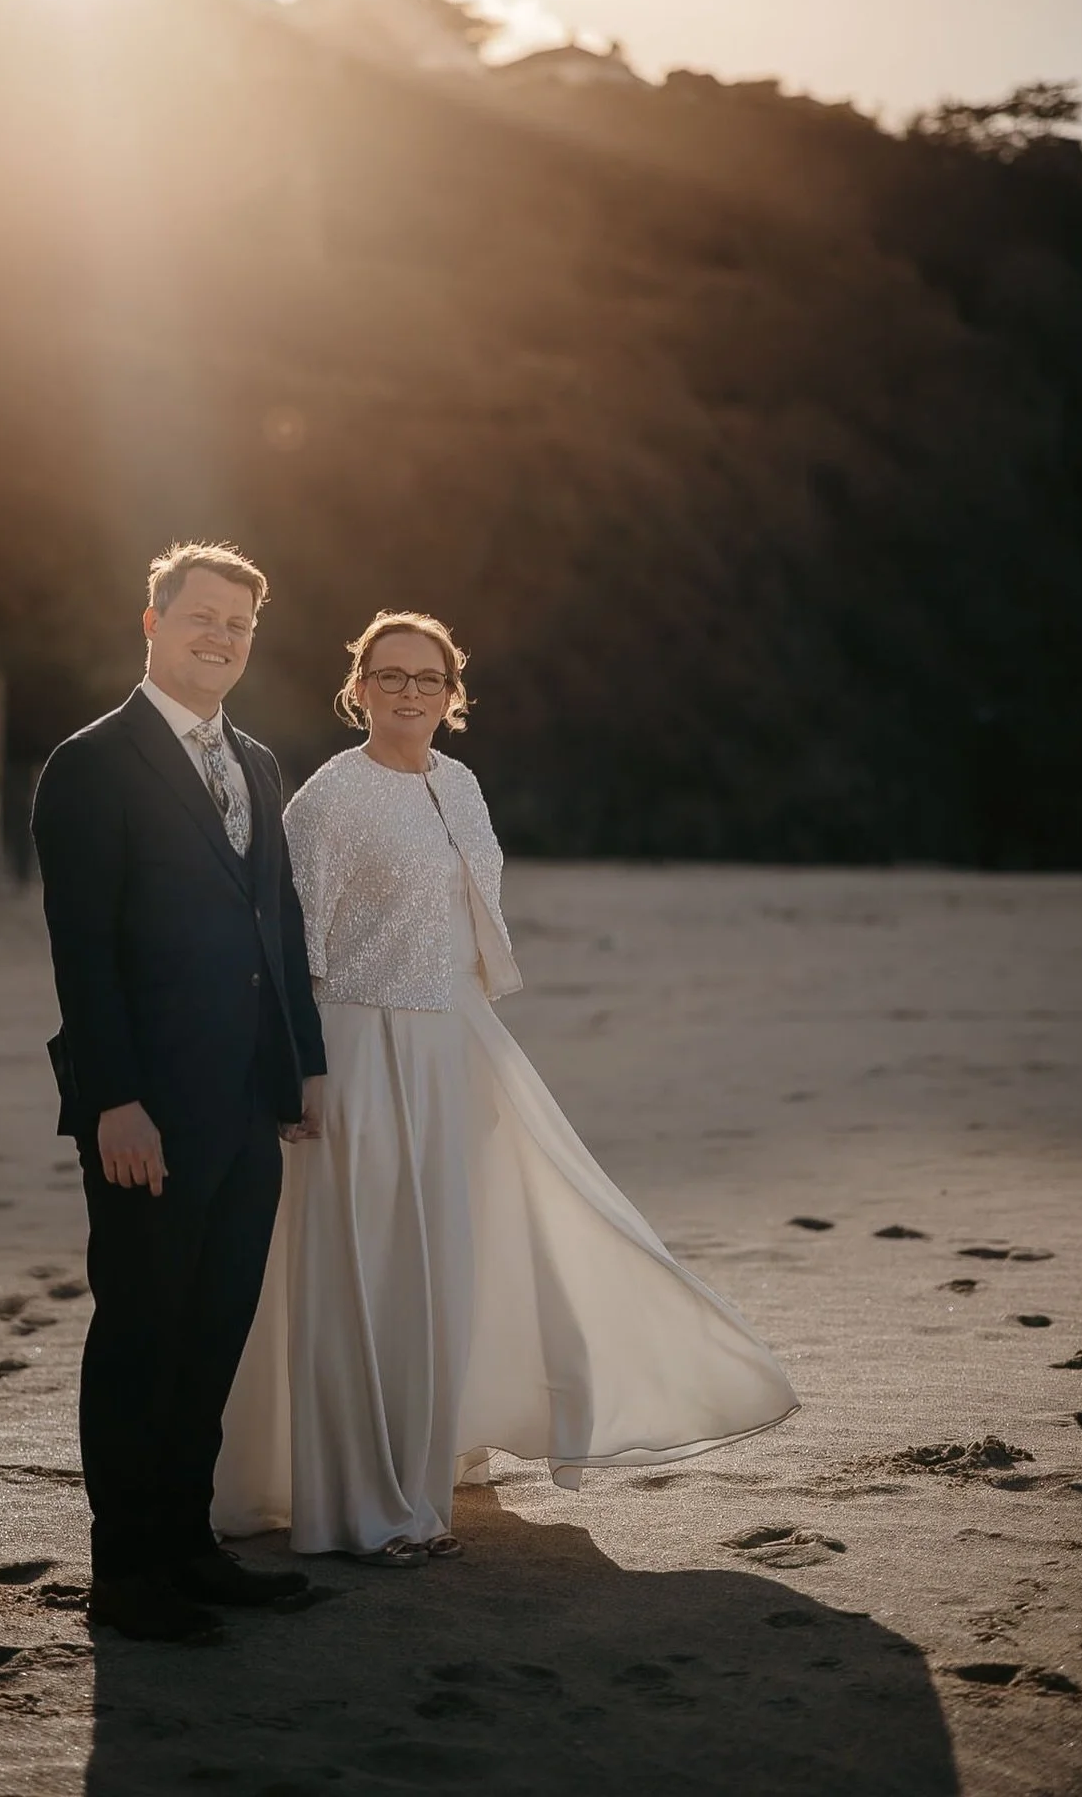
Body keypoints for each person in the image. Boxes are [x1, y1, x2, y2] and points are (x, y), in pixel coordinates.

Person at [213, 611, 799, 1562]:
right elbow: (290, 947)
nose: (409, 692)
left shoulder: (462, 784)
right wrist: (305, 1073)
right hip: (360, 1046)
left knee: (451, 1255)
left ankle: (431, 1449)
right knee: (368, 1269)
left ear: (454, 694)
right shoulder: (330, 797)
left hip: (456, 1044)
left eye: (428, 678)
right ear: (357, 687)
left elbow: (469, 929)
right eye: (390, 676)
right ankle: (367, 1506)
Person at [31, 541, 327, 1642]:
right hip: (145, 1110)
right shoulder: (92, 763)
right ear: (151, 622)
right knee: (142, 1335)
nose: (223, 637)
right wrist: (113, 1099)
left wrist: (300, 1067)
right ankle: (126, 1572)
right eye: (203, 616)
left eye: (241, 625)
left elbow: (278, 925)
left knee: (214, 1332)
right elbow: (83, 948)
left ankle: (190, 1545)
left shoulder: (255, 762)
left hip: (248, 1105)